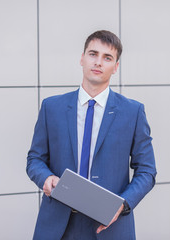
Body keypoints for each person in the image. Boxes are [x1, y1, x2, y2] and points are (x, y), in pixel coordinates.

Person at [27, 30, 157, 240]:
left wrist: (122, 205)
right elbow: (35, 159)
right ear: (82, 58)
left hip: (110, 227)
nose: (98, 62)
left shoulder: (133, 112)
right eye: (93, 54)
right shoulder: (52, 107)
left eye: (107, 58)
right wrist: (46, 178)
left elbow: (147, 171)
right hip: (58, 226)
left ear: (115, 67)